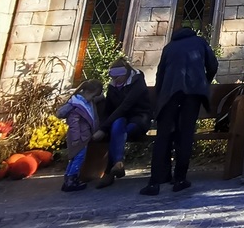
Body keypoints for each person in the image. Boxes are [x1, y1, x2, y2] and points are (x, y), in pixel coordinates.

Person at [142, 26, 218, 195]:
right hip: (192, 94)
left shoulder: (169, 47)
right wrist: (204, 82)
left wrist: (159, 99)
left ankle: (154, 182)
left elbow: (160, 75)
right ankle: (180, 179)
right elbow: (213, 65)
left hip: (169, 95)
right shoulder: (200, 42)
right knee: (185, 135)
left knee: (163, 136)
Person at [94, 57, 152, 188]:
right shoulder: (113, 86)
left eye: (117, 77)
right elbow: (109, 110)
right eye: (113, 78)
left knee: (118, 132)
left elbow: (125, 106)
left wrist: (103, 129)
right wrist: (103, 126)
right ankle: (118, 163)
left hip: (139, 118)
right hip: (119, 120)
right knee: (117, 125)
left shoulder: (137, 82)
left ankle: (110, 171)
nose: (115, 80)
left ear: (125, 74)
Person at [56, 78, 103, 192]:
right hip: (79, 138)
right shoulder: (77, 106)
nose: (93, 99)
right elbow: (74, 124)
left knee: (74, 158)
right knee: (78, 158)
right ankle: (72, 179)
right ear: (88, 93)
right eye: (93, 96)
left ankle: (69, 178)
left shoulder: (85, 102)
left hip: (83, 137)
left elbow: (97, 98)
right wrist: (76, 139)